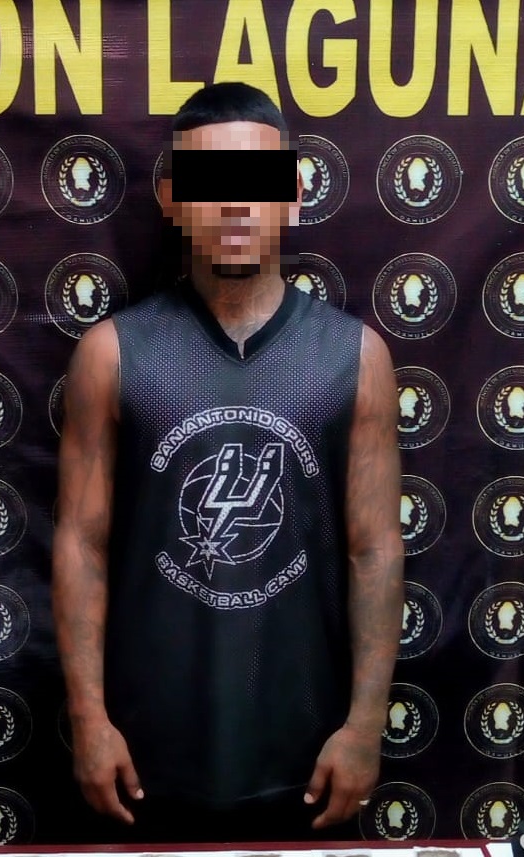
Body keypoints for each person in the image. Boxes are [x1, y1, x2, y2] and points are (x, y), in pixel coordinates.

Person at [51, 82, 402, 843]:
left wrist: (365, 726)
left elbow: (374, 549)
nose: (236, 204)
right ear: (173, 201)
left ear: (293, 196)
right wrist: (88, 719)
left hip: (306, 755)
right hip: (145, 757)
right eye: (212, 183)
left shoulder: (355, 356)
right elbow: (81, 543)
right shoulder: (112, 354)